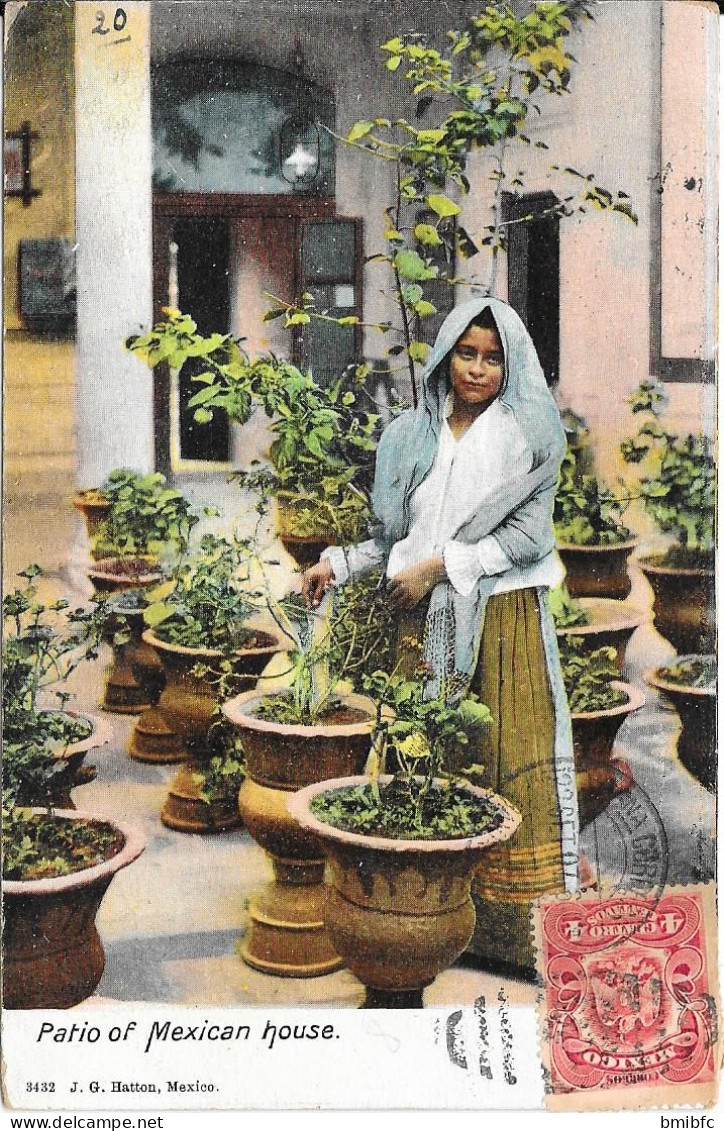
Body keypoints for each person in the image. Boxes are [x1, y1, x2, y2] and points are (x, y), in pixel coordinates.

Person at [302, 296, 579, 977]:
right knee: (421, 748)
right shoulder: (411, 436)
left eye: (492, 357)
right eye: (466, 353)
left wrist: (439, 569)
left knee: (502, 750)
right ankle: (423, 917)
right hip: (420, 619)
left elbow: (526, 539)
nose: (478, 369)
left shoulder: (523, 436)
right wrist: (336, 564)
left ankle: (510, 936)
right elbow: (393, 540)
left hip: (500, 617)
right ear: (446, 355)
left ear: (508, 366)